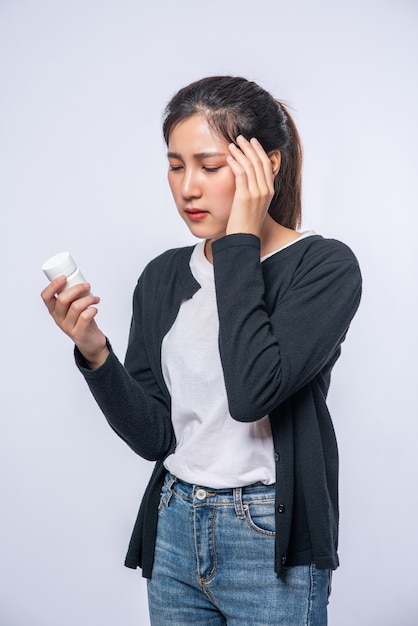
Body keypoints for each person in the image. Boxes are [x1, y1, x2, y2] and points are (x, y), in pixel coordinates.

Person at [41, 75, 362, 625]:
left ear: (268, 166)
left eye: (210, 167)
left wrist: (238, 240)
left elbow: (252, 392)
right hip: (175, 524)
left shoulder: (323, 268)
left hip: (268, 538)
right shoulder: (163, 275)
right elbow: (156, 437)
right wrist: (95, 352)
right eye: (175, 165)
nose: (188, 187)